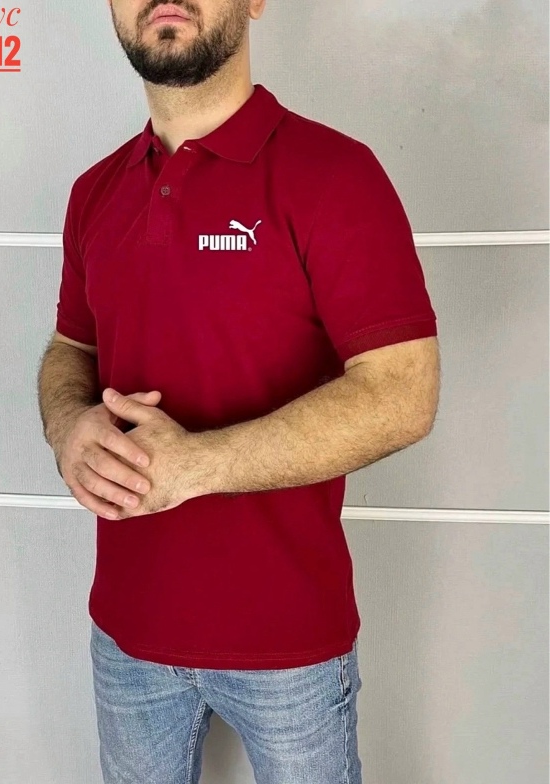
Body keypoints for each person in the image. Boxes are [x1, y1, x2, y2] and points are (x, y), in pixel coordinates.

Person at [37, 0, 441, 781]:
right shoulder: (94, 192)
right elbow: (70, 349)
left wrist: (196, 465)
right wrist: (67, 426)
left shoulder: (335, 175)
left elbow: (403, 392)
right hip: (125, 637)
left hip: (291, 647)